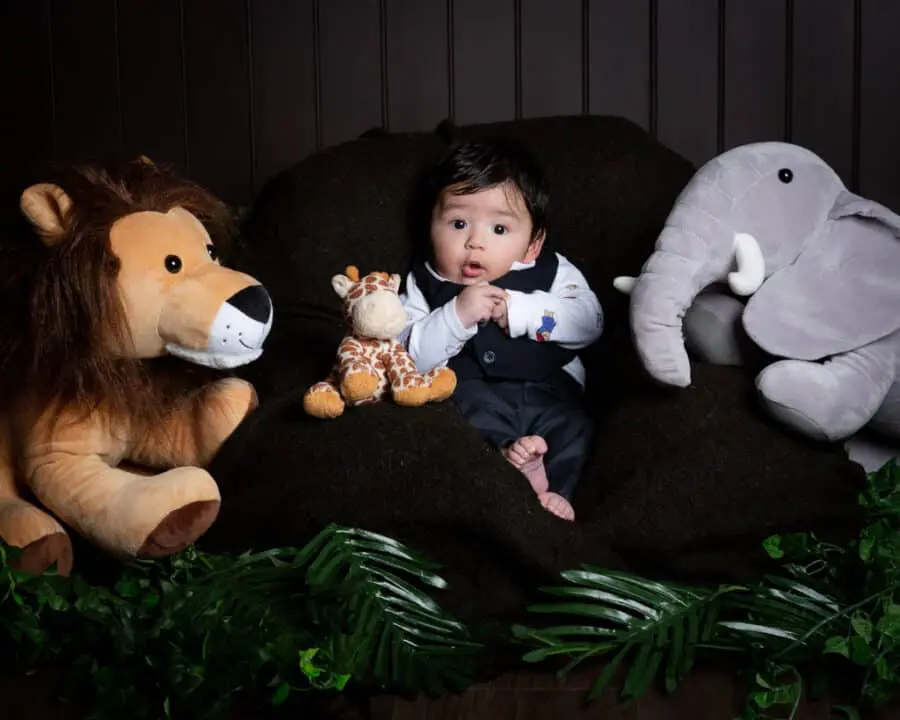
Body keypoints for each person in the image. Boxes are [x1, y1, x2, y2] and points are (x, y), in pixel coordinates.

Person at [399, 138, 603, 521]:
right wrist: (455, 316)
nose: (475, 242)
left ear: (533, 243)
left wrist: (522, 311)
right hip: (471, 392)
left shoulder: (552, 271)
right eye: (458, 224)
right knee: (464, 432)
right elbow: (408, 357)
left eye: (499, 228)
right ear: (430, 228)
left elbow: (588, 322)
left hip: (551, 390)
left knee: (578, 430)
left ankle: (558, 494)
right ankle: (513, 471)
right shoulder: (423, 282)